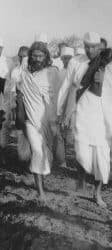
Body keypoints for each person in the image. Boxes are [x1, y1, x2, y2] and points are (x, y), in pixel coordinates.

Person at [57, 32, 109, 207]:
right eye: (87, 46)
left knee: (101, 156)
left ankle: (97, 193)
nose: (90, 50)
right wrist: (61, 111)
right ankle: (81, 181)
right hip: (81, 112)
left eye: (93, 47)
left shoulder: (107, 64)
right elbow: (67, 87)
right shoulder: (75, 62)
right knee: (82, 153)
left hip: (103, 115)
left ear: (100, 47)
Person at [16, 42, 60, 200]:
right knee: (37, 152)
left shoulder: (52, 74)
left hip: (48, 121)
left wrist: (55, 120)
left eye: (40, 56)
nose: (37, 59)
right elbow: (17, 94)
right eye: (34, 56)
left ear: (46, 57)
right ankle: (40, 191)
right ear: (30, 57)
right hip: (31, 121)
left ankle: (40, 179)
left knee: (47, 155)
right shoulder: (23, 74)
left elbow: (56, 98)